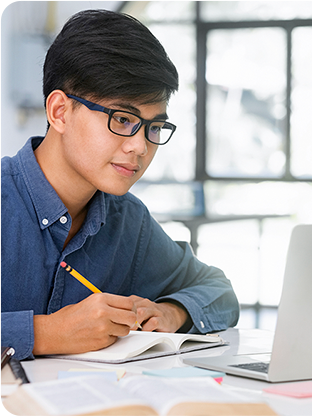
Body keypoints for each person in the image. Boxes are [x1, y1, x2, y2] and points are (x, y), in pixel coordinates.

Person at [0, 9, 239, 360]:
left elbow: (218, 291)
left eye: (154, 127)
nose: (140, 146)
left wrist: (172, 312)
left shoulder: (127, 221)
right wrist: (46, 333)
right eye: (123, 119)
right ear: (60, 112)